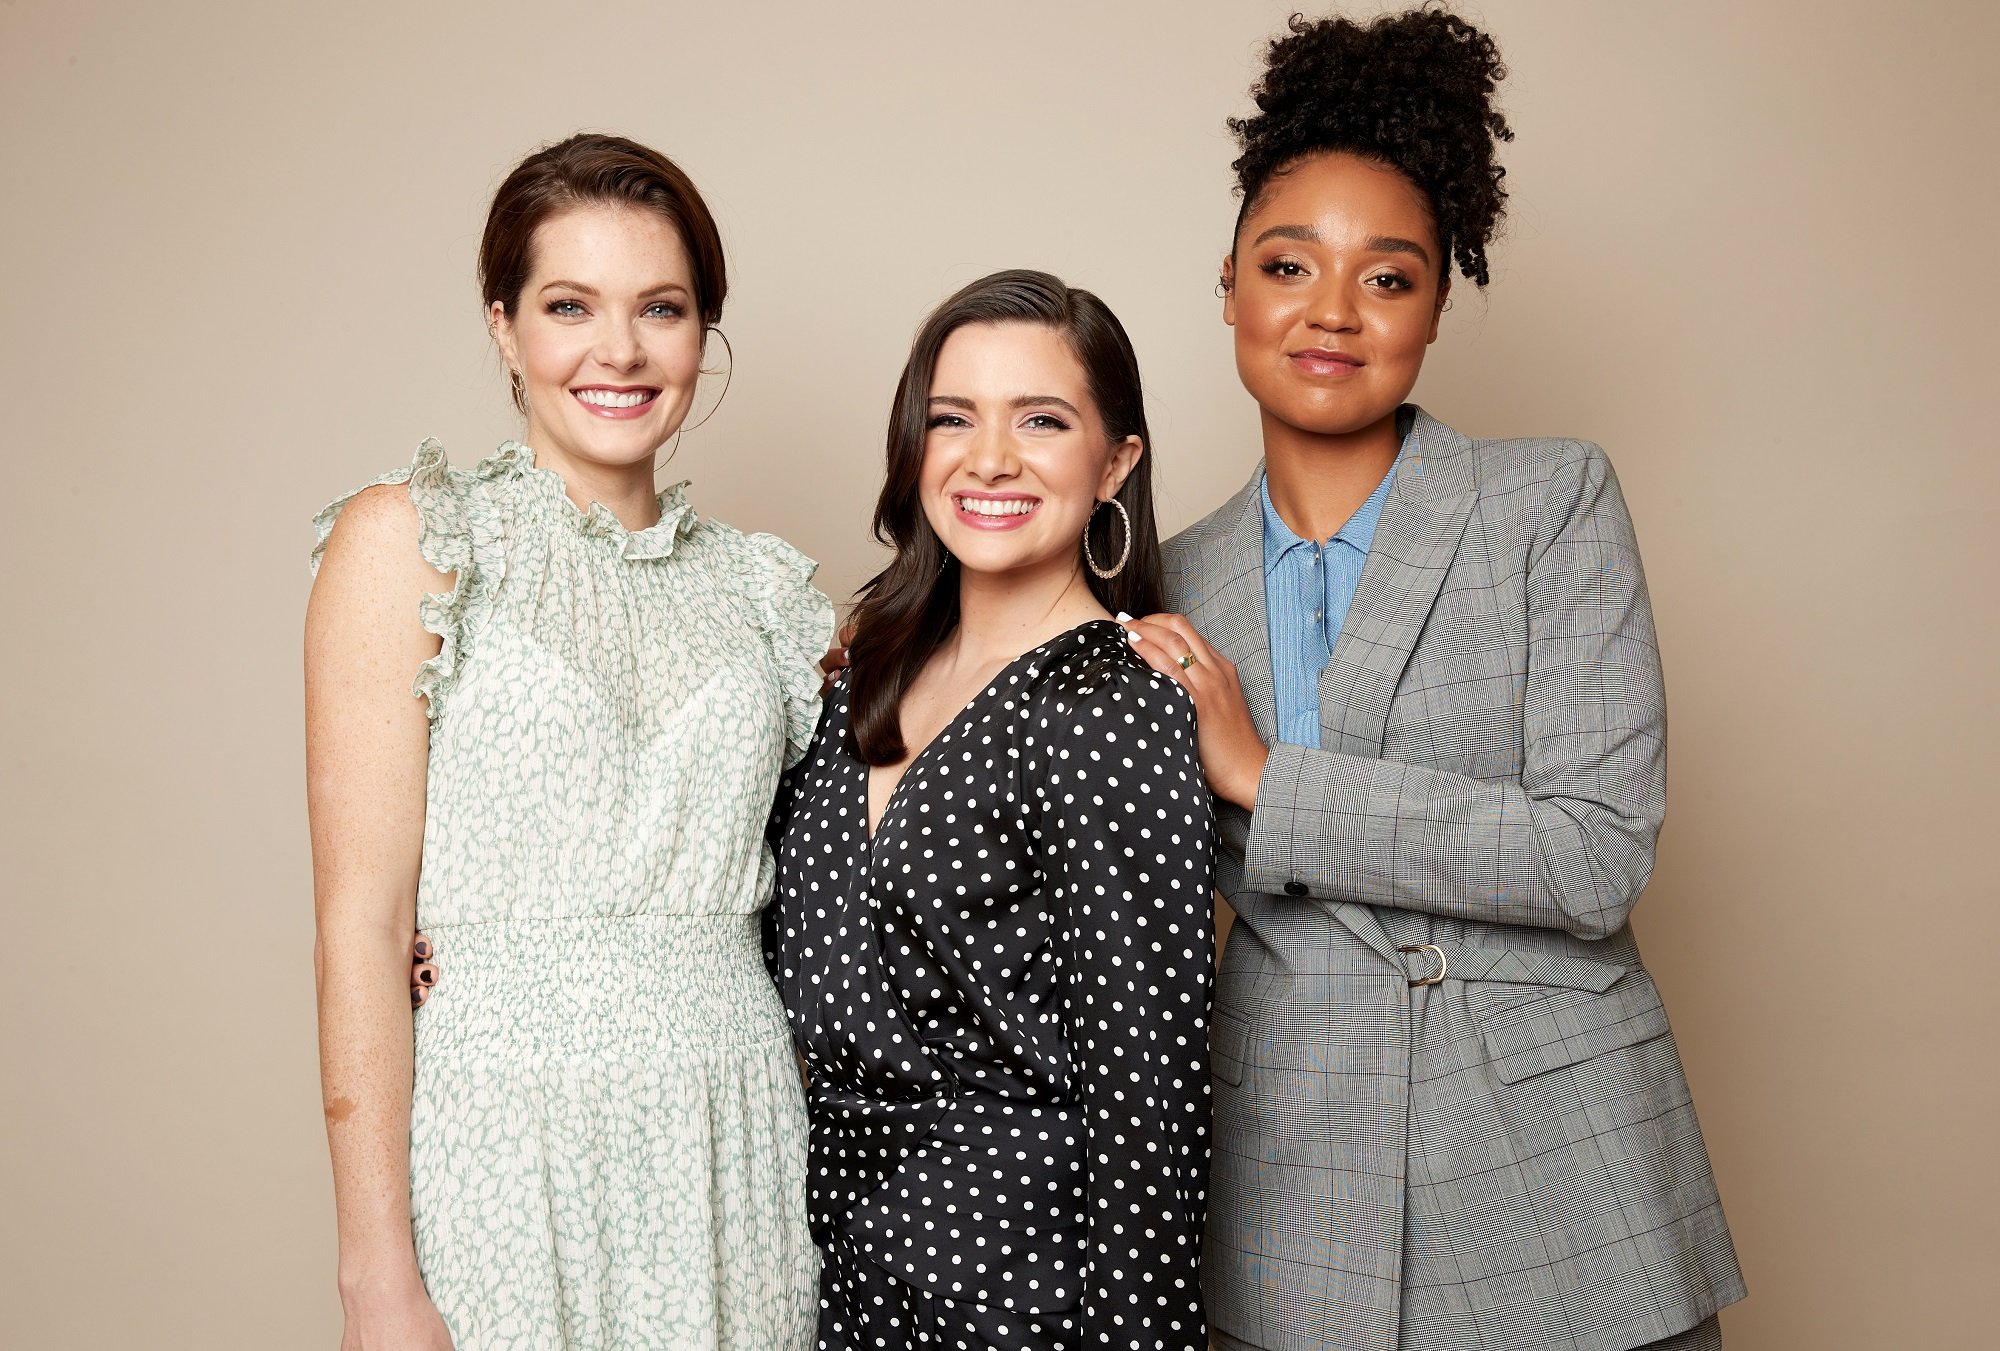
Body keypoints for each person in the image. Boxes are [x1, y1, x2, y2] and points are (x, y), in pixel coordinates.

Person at [1118, 11, 1747, 1350]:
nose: (1331, 311)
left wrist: (1265, 779)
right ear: (1227, 284)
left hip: (1560, 1172)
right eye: (1288, 264)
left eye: (1387, 277)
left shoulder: (1547, 500)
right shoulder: (1162, 586)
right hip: (1291, 1190)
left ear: (1438, 304)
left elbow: (1591, 853)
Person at [307, 132, 830, 1350]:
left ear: (703, 334)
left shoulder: (769, 597)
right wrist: (373, 1278)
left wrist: (1120, 641)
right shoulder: (415, 542)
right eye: (568, 305)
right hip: (503, 1138)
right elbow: (361, 927)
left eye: (662, 307)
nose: (620, 350)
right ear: (502, 326)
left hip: (732, 1136)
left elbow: (873, 852)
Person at [763, 270, 1214, 1351]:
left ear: (1115, 462)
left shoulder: (1118, 701)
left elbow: (1149, 1087)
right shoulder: (854, 675)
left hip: (1015, 1278)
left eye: (1042, 421)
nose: (989, 459)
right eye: (951, 418)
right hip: (822, 1255)